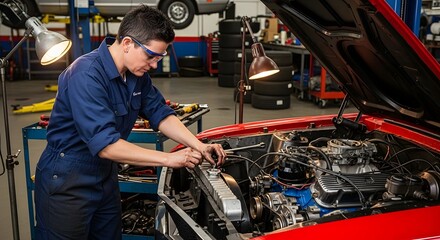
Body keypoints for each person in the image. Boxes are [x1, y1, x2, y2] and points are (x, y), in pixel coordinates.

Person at [34, 5, 226, 240]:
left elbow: (160, 113)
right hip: (67, 181)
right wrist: (169, 159)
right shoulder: (85, 74)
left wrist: (199, 145)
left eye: (160, 57)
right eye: (150, 56)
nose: (154, 65)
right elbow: (107, 146)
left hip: (105, 177)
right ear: (127, 43)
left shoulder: (137, 76)